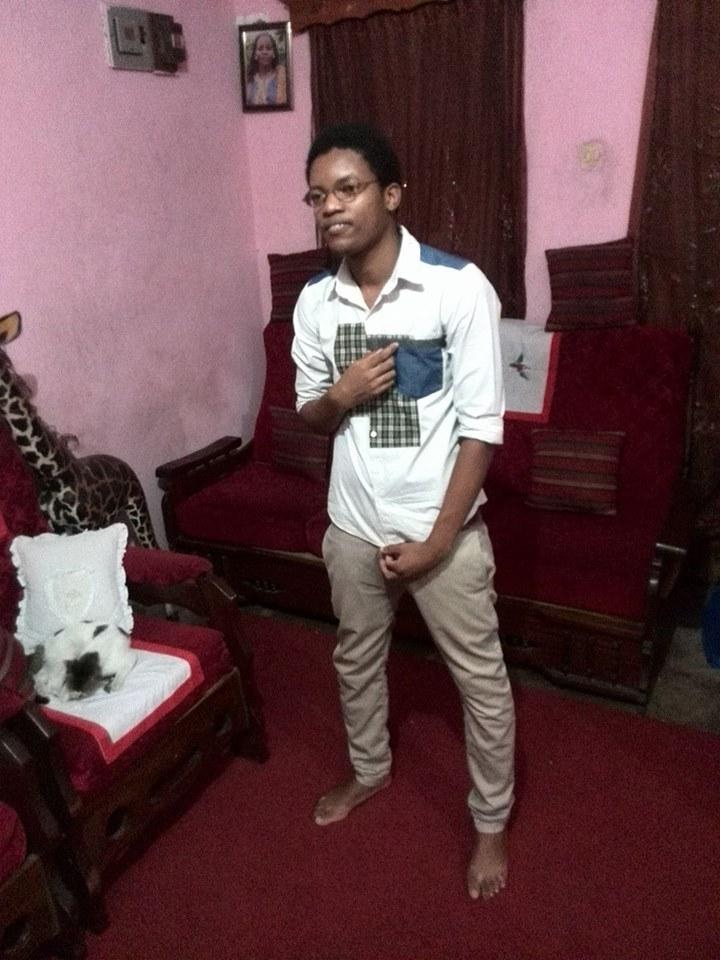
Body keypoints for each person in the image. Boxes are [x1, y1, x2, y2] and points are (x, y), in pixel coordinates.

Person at [291, 123, 515, 901]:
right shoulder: (315, 302)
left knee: (480, 683)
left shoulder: (457, 287)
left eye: (347, 189)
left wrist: (438, 541)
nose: (330, 207)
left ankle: (491, 821)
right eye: (317, 196)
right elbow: (311, 415)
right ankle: (370, 770)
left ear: (390, 195)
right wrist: (340, 395)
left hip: (441, 533)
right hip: (352, 527)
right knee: (355, 660)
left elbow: (482, 429)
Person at [245, 31, 287, 106]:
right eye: (260, 49)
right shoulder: (248, 79)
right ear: (255, 54)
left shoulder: (282, 77)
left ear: (274, 53)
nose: (264, 52)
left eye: (268, 48)